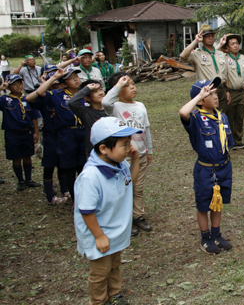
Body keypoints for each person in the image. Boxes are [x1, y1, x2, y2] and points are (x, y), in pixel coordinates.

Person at [74, 117, 142, 305]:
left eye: (129, 143)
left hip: (115, 231)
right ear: (103, 149)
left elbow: (131, 183)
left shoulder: (120, 165)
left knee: (114, 266)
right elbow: (86, 211)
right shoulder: (91, 176)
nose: (129, 148)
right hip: (100, 233)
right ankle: (98, 301)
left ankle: (115, 294)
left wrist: (134, 161)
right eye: (125, 144)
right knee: (100, 272)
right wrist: (99, 236)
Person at [179, 78, 234, 254]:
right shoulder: (195, 118)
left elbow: (229, 143)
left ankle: (216, 235)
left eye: (215, 93)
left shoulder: (222, 117)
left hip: (223, 167)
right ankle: (205, 237)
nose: (216, 96)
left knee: (217, 203)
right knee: (204, 204)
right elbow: (183, 112)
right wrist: (199, 97)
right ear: (201, 100)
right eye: (210, 94)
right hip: (205, 169)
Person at [103, 73, 153, 235]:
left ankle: (138, 216)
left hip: (139, 155)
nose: (132, 87)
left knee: (138, 187)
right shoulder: (115, 107)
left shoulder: (141, 105)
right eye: (126, 85)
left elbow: (146, 129)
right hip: (122, 157)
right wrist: (117, 85)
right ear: (117, 90)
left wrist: (149, 150)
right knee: (122, 188)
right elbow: (105, 101)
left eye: (132, 84)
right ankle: (124, 220)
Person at [27, 68, 84, 202]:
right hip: (59, 135)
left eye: (77, 76)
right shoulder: (56, 95)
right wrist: (53, 78)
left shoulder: (84, 93)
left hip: (81, 133)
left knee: (80, 165)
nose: (76, 79)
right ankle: (52, 194)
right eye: (71, 78)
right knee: (59, 164)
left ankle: (74, 192)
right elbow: (35, 95)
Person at [0, 74, 41, 191]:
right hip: (13, 133)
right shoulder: (5, 100)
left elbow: (34, 117)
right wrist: (1, 88)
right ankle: (20, 180)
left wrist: (36, 132)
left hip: (26, 132)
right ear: (9, 87)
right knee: (16, 157)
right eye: (14, 84)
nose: (18, 86)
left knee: (27, 156)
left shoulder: (28, 98)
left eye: (20, 83)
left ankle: (29, 179)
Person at [180, 24, 228, 111]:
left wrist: (227, 90)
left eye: (212, 36)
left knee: (222, 116)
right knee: (209, 114)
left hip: (222, 89)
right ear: (202, 38)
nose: (210, 38)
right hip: (208, 90)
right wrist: (196, 41)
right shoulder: (197, 54)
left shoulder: (219, 53)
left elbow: (225, 73)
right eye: (207, 36)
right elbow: (183, 56)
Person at [223, 34, 244, 150]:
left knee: (240, 117)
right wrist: (226, 91)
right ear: (228, 47)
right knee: (229, 117)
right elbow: (224, 75)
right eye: (232, 44)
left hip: (242, 92)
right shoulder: (224, 58)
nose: (235, 46)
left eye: (236, 43)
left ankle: (238, 140)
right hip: (230, 92)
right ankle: (229, 141)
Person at [68, 80, 108, 158]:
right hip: (94, 152)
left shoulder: (110, 109)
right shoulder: (85, 112)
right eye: (95, 91)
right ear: (86, 98)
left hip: (112, 149)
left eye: (100, 89)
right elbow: (72, 103)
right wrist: (87, 89)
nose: (100, 93)